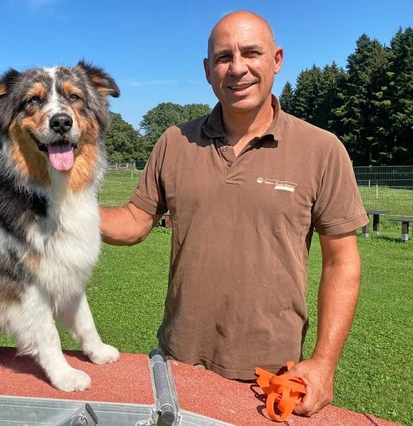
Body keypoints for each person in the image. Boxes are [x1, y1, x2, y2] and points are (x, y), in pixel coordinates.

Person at [100, 10, 368, 417]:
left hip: (273, 377)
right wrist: (63, 210)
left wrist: (325, 363)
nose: (237, 68)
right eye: (224, 57)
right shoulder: (175, 142)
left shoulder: (322, 149)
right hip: (179, 362)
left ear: (276, 60)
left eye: (251, 53)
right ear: (208, 70)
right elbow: (135, 221)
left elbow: (342, 261)